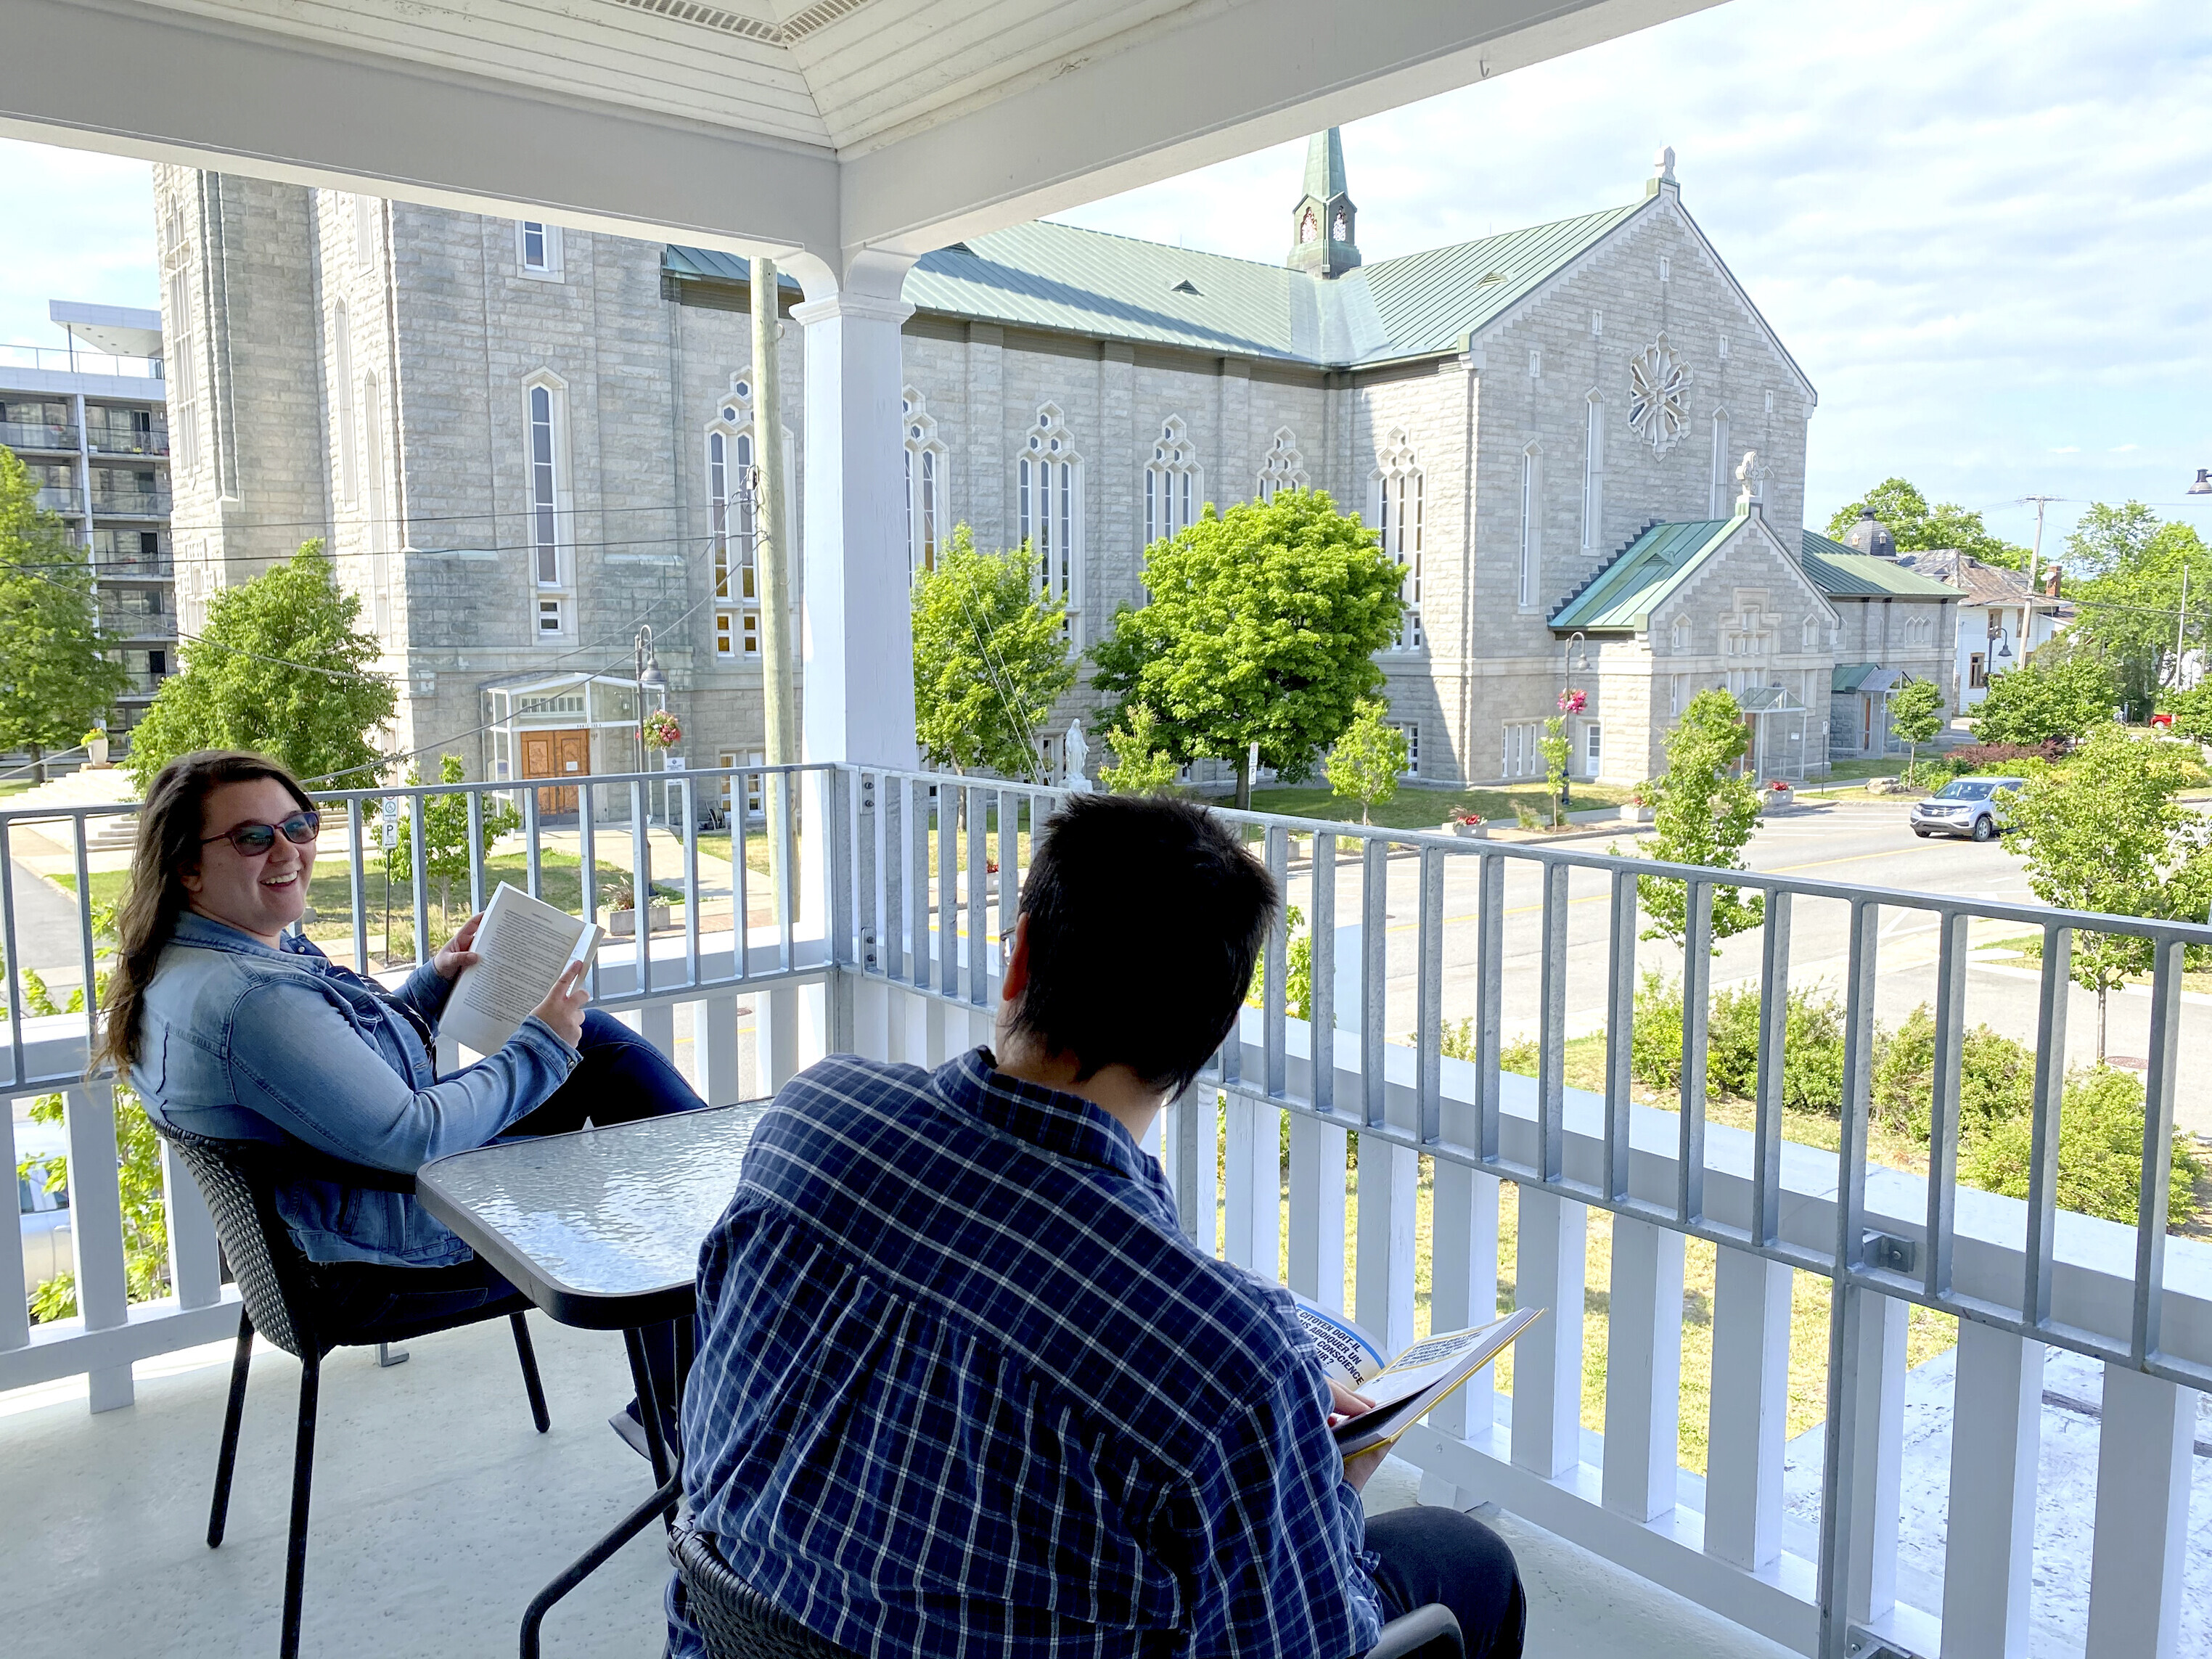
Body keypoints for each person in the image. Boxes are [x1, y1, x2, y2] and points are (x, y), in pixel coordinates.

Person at [671, 793, 1523, 1659]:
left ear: (1022, 956)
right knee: (1466, 1559)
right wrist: (1326, 1488)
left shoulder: (811, 1120)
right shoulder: (1229, 1370)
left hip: (733, 1633)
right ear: (1209, 1032)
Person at [101, 749, 705, 1446]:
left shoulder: (198, 961)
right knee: (658, 1193)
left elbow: (341, 1075)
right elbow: (412, 1136)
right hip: (379, 1258)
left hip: (327, 1226)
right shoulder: (250, 1000)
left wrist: (436, 983)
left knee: (597, 1049)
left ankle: (681, 1378)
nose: (288, 850)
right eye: (252, 837)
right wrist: (540, 1043)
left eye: (298, 826)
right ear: (187, 867)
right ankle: (693, 1396)